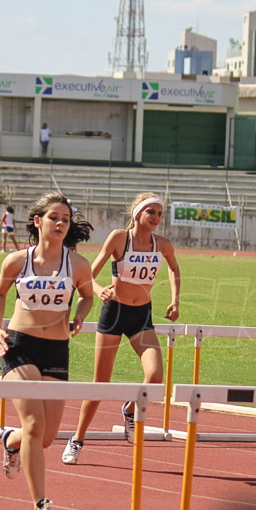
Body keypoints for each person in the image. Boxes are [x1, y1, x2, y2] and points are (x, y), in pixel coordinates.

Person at [0, 192, 94, 510]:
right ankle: (40, 504)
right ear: (38, 221)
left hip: (56, 350)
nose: (61, 224)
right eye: (54, 218)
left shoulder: (78, 264)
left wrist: (79, 314)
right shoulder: (17, 261)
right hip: (19, 346)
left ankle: (10, 440)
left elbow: (88, 296)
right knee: (34, 424)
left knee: (45, 437)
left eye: (65, 219)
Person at [62, 193, 181, 466]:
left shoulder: (162, 245)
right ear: (137, 213)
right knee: (100, 385)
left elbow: (174, 270)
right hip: (114, 314)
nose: (155, 218)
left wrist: (175, 299)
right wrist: (99, 289)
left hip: (142, 316)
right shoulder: (119, 238)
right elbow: (89, 273)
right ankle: (77, 439)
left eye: (159, 214)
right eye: (150, 211)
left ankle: (129, 407)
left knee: (155, 375)